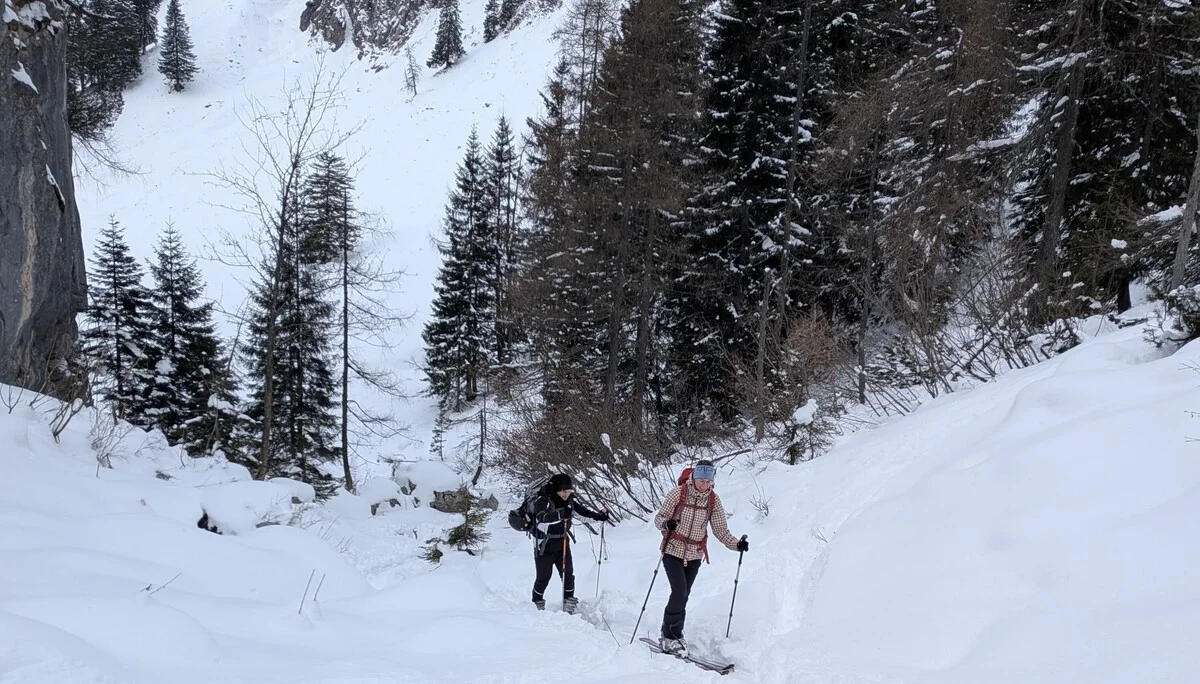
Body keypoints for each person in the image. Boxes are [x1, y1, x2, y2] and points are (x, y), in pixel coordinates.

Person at [653, 460, 747, 657]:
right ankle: (668, 635)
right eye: (701, 481)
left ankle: (676, 634)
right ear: (694, 478)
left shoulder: (713, 500)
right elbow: (659, 518)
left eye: (708, 481)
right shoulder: (677, 493)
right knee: (679, 591)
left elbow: (721, 530)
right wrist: (667, 524)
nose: (704, 485)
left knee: (684, 594)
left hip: (695, 553)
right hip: (673, 549)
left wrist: (737, 544)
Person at [529, 473, 609, 614]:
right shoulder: (543, 499)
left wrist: (599, 516)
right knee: (544, 577)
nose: (566, 494)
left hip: (562, 542)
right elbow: (541, 518)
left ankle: (569, 602)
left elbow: (582, 513)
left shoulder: (569, 501)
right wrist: (560, 514)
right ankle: (536, 603)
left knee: (568, 575)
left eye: (569, 491)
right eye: (563, 491)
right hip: (544, 544)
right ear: (556, 490)